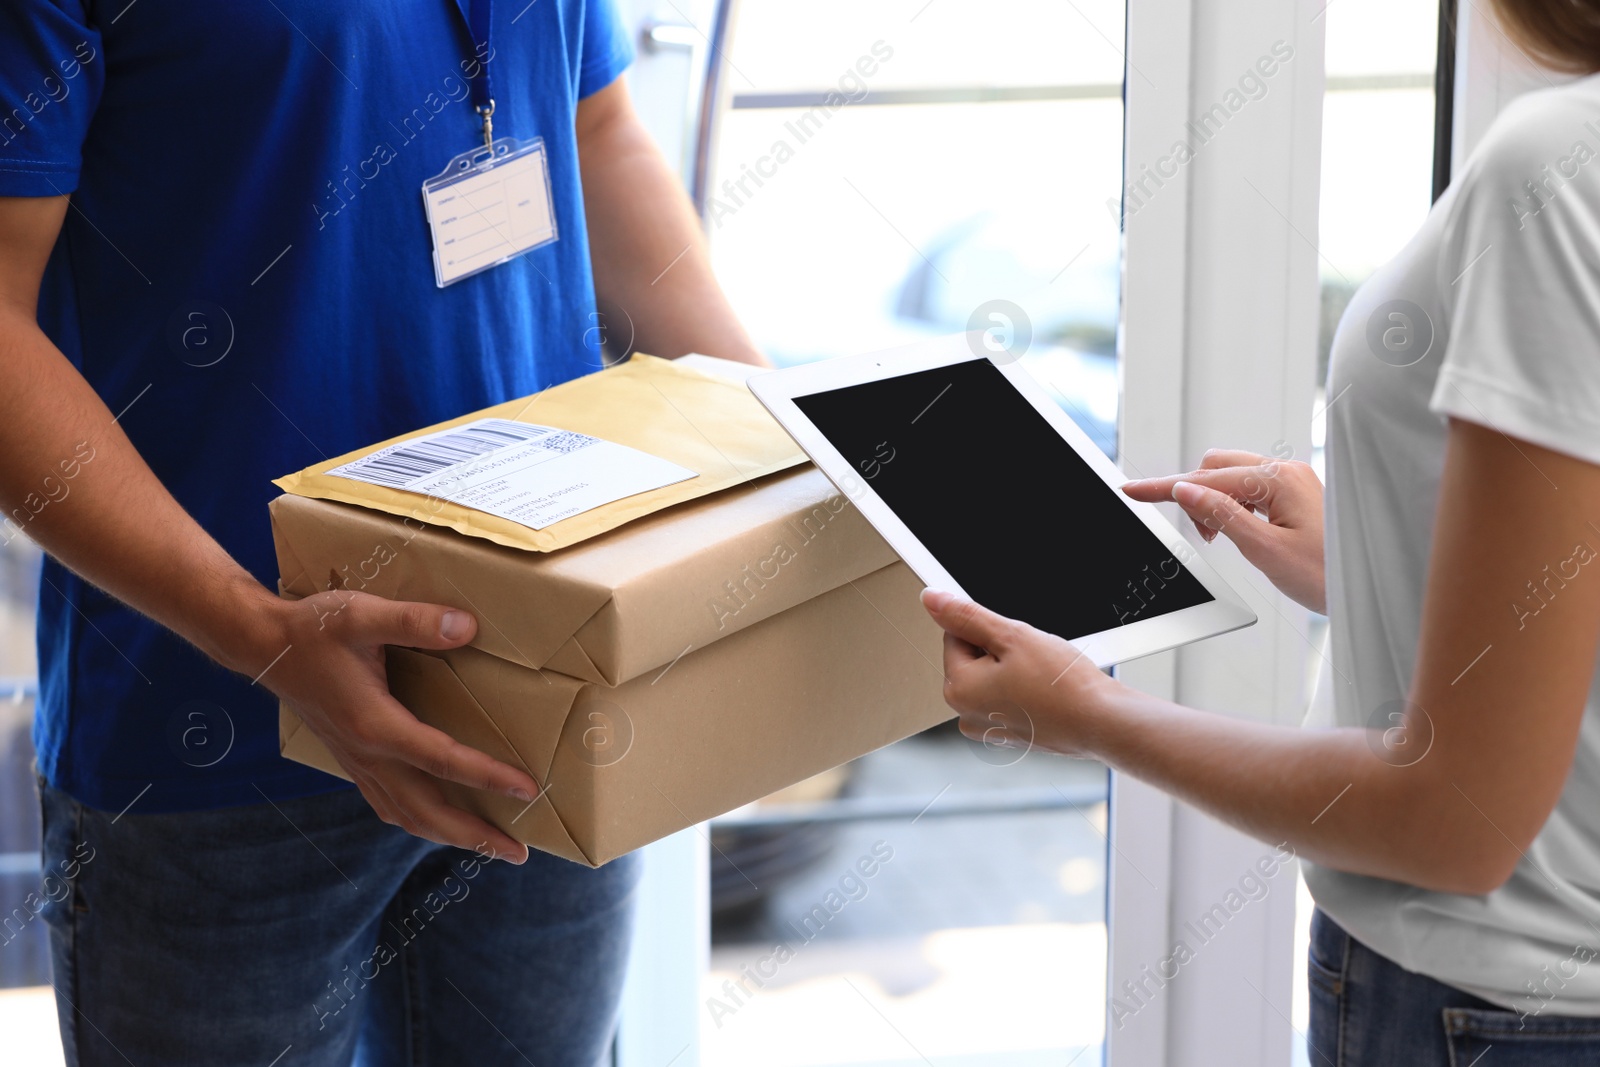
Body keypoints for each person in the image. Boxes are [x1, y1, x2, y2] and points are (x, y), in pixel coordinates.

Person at [0, 2, 763, 1064]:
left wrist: (775, 428)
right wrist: (261, 632)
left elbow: (594, 130)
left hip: (545, 685)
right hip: (218, 741)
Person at [921, 2, 1600, 1062]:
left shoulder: (1559, 164)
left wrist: (1088, 710)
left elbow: (1454, 822)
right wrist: (1380, 563)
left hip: (1499, 1008)